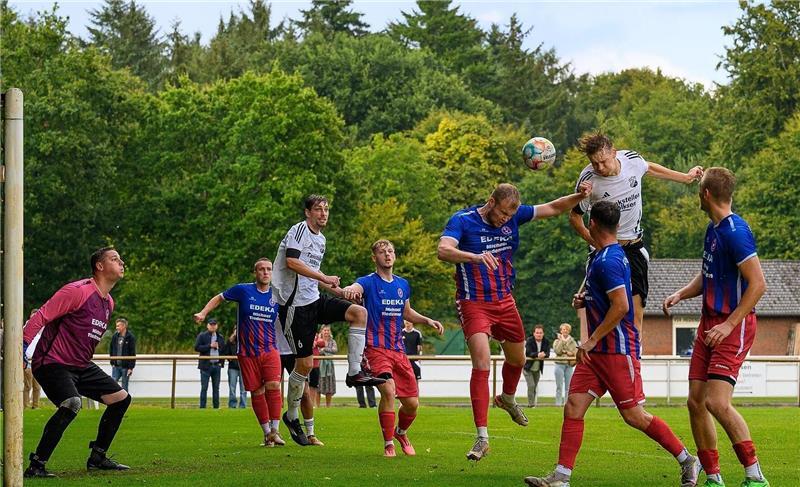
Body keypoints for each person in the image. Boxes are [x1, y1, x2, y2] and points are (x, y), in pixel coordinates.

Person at [524, 201, 698, 487]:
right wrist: (586, 300)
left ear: (592, 223)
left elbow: (620, 307)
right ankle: (561, 477)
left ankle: (686, 459)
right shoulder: (602, 256)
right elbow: (608, 299)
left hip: (617, 352)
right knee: (573, 408)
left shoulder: (610, 260)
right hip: (597, 354)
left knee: (634, 416)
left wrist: (590, 340)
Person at [437, 181, 592, 461]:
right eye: (503, 214)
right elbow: (443, 250)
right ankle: (482, 437)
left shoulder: (515, 215)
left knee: (518, 361)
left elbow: (554, 207)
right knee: (482, 362)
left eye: (511, 216)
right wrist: (474, 257)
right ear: (491, 202)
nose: (506, 220)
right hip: (474, 303)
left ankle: (507, 398)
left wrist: (579, 195)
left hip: (505, 301)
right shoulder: (463, 220)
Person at [663, 167, 770, 487]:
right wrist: (682, 293)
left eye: (699, 190)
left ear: (706, 194)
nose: (697, 195)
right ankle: (713, 476)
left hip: (732, 326)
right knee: (695, 401)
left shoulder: (736, 232)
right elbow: (710, 274)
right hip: (709, 324)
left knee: (717, 402)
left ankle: (754, 475)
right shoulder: (713, 229)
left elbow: (758, 284)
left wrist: (729, 324)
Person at [272, 194, 384, 446]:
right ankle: (291, 417)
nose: (323, 213)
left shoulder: (321, 240)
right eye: (318, 209)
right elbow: (291, 262)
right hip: (294, 307)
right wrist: (325, 277)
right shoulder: (299, 230)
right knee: (304, 366)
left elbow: (315, 278)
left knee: (359, 313)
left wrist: (341, 291)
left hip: (313, 300)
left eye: (326, 209)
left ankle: (355, 372)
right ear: (307, 212)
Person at [569, 132, 704, 339]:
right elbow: (575, 218)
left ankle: (634, 363)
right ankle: (596, 359)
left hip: (633, 248)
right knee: (600, 314)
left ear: (614, 153)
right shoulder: (588, 180)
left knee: (634, 317)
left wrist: (685, 178)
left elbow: (649, 167)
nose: (600, 168)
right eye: (595, 164)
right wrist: (595, 243)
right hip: (604, 254)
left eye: (603, 162)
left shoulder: (632, 160)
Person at [23, 247, 131, 478]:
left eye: (121, 259)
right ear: (99, 266)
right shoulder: (77, 291)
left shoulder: (108, 302)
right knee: (72, 403)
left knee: (121, 399)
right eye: (114, 259)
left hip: (80, 364)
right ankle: (36, 465)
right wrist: (22, 346)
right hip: (52, 362)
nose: (121, 262)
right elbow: (41, 316)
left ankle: (98, 456)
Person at [343, 239, 444, 457]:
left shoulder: (402, 284)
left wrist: (427, 320)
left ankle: (401, 432)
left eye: (390, 251)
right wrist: (350, 289)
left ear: (395, 255)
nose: (387, 255)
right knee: (388, 390)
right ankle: (388, 443)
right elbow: (355, 288)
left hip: (398, 350)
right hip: (375, 349)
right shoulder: (367, 282)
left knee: (412, 404)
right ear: (374, 258)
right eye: (382, 252)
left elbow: (406, 312)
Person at [194, 258, 284, 446]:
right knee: (257, 391)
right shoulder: (243, 290)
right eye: (261, 269)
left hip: (270, 348)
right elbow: (219, 297)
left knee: (274, 385)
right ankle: (267, 433)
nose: (266, 272)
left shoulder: (278, 294)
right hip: (247, 352)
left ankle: (275, 431)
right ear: (255, 272)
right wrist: (203, 313)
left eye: (269, 269)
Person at [194, 318, 224, 409]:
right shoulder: (202, 336)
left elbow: (224, 350)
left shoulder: (220, 337)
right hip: (205, 366)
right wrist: (209, 346)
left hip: (216, 366)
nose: (213, 326)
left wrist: (218, 347)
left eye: (214, 324)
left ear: (217, 326)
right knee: (204, 388)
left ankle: (216, 408)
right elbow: (197, 347)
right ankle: (202, 407)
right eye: (211, 324)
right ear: (207, 325)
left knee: (216, 389)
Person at [523, 324, 550, 408]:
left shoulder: (546, 341)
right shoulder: (529, 341)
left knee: (535, 386)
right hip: (528, 368)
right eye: (537, 333)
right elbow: (528, 353)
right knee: (531, 385)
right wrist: (538, 354)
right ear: (534, 333)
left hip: (538, 368)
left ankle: (533, 404)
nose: (539, 334)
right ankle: (531, 405)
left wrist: (544, 354)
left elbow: (547, 353)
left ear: (543, 333)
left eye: (540, 333)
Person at [552, 323, 577, 407]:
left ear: (569, 331)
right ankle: (558, 404)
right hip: (559, 364)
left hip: (569, 365)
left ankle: (567, 404)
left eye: (567, 329)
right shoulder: (557, 341)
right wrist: (562, 342)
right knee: (559, 386)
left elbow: (574, 352)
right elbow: (557, 351)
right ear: (561, 331)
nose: (565, 331)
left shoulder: (573, 341)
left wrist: (565, 352)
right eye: (563, 329)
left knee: (568, 386)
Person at [221, 330, 247, 408]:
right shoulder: (230, 341)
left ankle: (243, 405)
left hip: (243, 368)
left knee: (244, 388)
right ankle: (232, 405)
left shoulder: (246, 340)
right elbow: (225, 352)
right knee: (232, 388)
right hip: (232, 368)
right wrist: (230, 359)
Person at [109, 318, 136, 392]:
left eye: (118, 326)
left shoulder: (130, 337)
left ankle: (125, 403)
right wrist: (112, 362)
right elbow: (111, 349)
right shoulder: (115, 336)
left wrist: (131, 368)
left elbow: (132, 353)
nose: (116, 327)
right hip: (116, 366)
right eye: (116, 326)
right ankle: (114, 402)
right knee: (113, 384)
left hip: (126, 367)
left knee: (124, 386)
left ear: (124, 326)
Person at [23, 308, 42, 409]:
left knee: (37, 386)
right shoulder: (25, 327)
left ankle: (36, 405)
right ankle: (25, 405)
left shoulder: (41, 330)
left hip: (37, 361)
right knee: (27, 386)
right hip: (28, 360)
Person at [318, 325, 337, 407]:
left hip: (329, 366)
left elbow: (335, 350)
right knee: (318, 385)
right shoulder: (318, 340)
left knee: (329, 386)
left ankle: (328, 406)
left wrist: (325, 349)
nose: (326, 332)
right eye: (325, 330)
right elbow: (317, 351)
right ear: (321, 331)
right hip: (319, 365)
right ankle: (317, 406)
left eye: (328, 330)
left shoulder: (332, 341)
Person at [310, 332, 323, 407]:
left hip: (315, 365)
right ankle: (305, 404)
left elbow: (323, 343)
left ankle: (312, 404)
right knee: (305, 385)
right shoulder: (302, 331)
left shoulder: (316, 335)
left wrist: (315, 342)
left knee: (314, 385)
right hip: (304, 364)